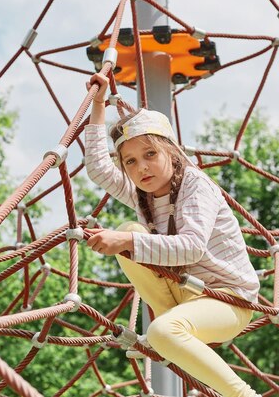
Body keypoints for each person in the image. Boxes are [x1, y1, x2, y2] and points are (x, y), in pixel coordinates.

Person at [84, 73, 260, 397]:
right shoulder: (143, 193)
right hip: (184, 293)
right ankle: (168, 325)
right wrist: (98, 104)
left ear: (172, 151)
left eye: (150, 154)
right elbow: (97, 167)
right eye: (131, 162)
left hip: (228, 299)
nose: (142, 168)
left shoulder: (195, 184)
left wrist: (125, 242)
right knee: (130, 229)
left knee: (130, 242)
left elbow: (191, 248)